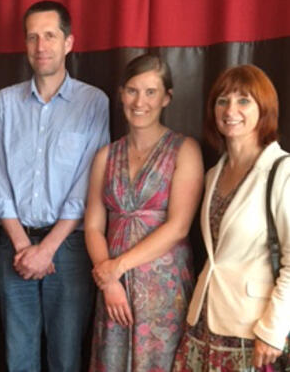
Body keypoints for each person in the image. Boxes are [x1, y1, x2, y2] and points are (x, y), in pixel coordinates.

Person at [0, 0, 110, 371]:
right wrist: (24, 246)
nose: (42, 46)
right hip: (14, 244)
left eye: (50, 36)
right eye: (33, 37)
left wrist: (48, 249)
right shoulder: (5, 102)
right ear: (25, 44)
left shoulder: (93, 102)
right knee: (18, 355)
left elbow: (89, 184)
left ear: (68, 42)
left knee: (66, 356)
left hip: (69, 247)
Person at [85, 53, 204, 371]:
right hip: (113, 290)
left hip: (162, 292)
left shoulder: (184, 149)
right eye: (133, 90)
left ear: (167, 97)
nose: (140, 101)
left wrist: (117, 267)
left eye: (151, 92)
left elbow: (178, 227)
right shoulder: (105, 155)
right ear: (121, 94)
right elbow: (94, 226)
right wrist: (109, 282)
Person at [173, 65, 290, 371]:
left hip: (253, 331)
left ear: (264, 109)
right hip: (203, 324)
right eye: (222, 100)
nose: (230, 110)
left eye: (244, 100)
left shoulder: (282, 172)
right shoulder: (213, 174)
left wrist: (273, 331)